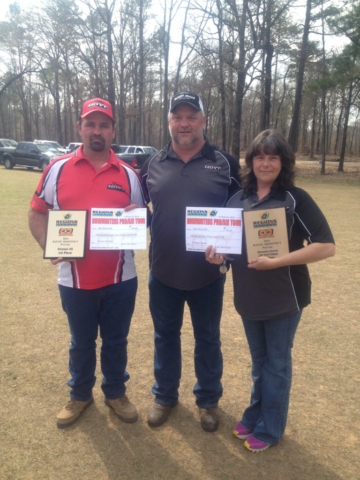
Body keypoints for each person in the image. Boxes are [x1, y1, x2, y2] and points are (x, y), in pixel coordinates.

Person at [206, 130, 335, 450]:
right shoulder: (238, 199)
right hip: (249, 298)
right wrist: (218, 257)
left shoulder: (295, 198)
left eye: (272, 157)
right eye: (259, 157)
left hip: (285, 297)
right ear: (251, 162)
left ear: (283, 162)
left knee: (276, 364)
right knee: (259, 361)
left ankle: (271, 428)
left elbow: (326, 247)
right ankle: (254, 414)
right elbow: (232, 250)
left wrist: (279, 261)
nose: (265, 163)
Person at [28, 98, 147, 428]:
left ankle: (115, 392)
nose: (97, 131)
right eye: (90, 124)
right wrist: (48, 245)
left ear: (113, 131)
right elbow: (37, 212)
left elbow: (143, 219)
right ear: (79, 127)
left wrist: (138, 219)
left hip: (121, 278)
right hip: (74, 280)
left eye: (104, 124)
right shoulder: (58, 167)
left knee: (116, 341)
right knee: (81, 343)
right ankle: (80, 394)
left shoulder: (129, 174)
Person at [140, 91, 240, 432]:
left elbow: (240, 214)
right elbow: (138, 209)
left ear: (203, 121)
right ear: (169, 122)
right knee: (164, 336)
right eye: (177, 117)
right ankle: (164, 396)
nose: (184, 123)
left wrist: (229, 252)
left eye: (191, 116)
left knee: (208, 338)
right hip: (163, 271)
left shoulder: (225, 163)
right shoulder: (152, 163)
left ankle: (208, 400)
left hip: (208, 275)